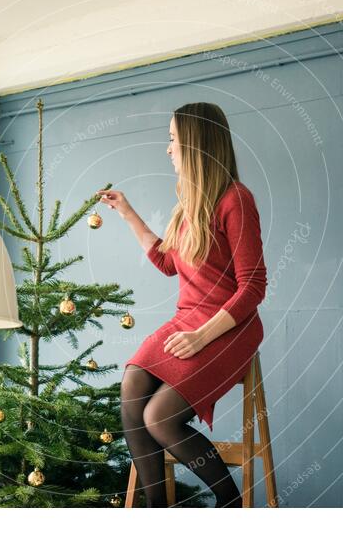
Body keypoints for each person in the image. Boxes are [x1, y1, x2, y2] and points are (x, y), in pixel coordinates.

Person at [96, 102, 267, 508]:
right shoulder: (189, 206)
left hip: (230, 324)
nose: (168, 149)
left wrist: (201, 336)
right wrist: (126, 211)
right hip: (188, 318)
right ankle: (157, 513)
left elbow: (254, 287)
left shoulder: (235, 200)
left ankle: (232, 505)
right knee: (133, 383)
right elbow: (168, 263)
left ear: (196, 142)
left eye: (173, 139)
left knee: (159, 418)